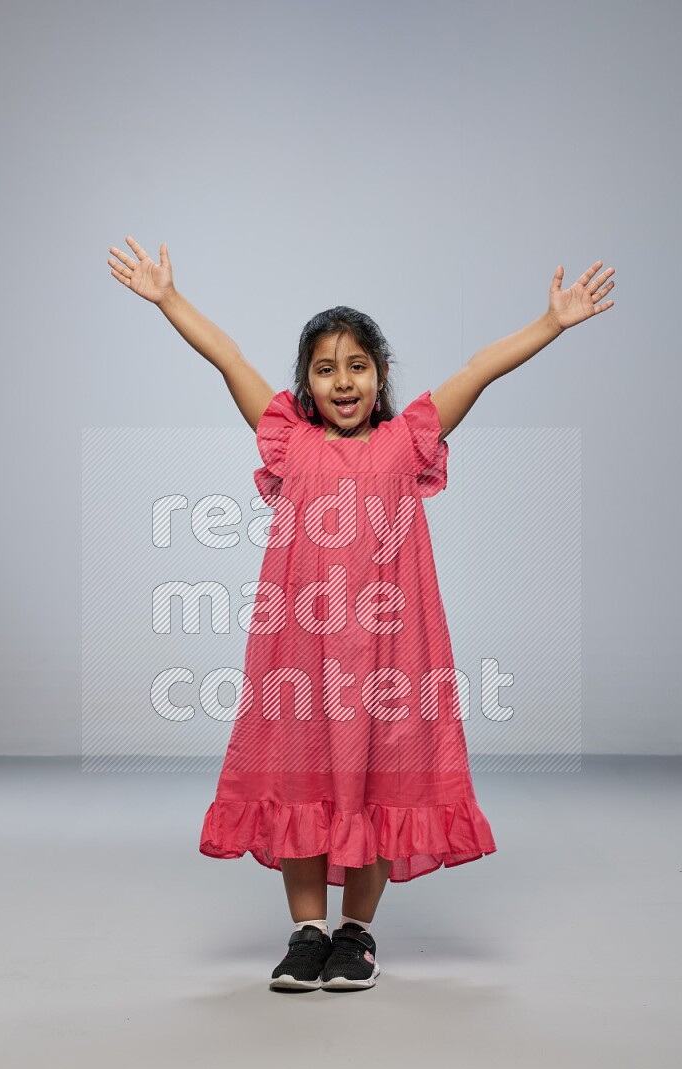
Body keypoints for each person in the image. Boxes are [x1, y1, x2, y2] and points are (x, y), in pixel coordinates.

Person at [107, 235, 615, 993]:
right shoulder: (290, 440)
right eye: (324, 369)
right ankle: (308, 931)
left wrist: (551, 323)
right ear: (306, 386)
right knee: (302, 778)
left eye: (357, 366)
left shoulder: (408, 440)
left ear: (379, 378)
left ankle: (356, 934)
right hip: (300, 654)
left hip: (388, 656)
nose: (342, 382)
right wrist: (169, 299)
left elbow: (478, 368)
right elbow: (230, 359)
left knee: (381, 780)